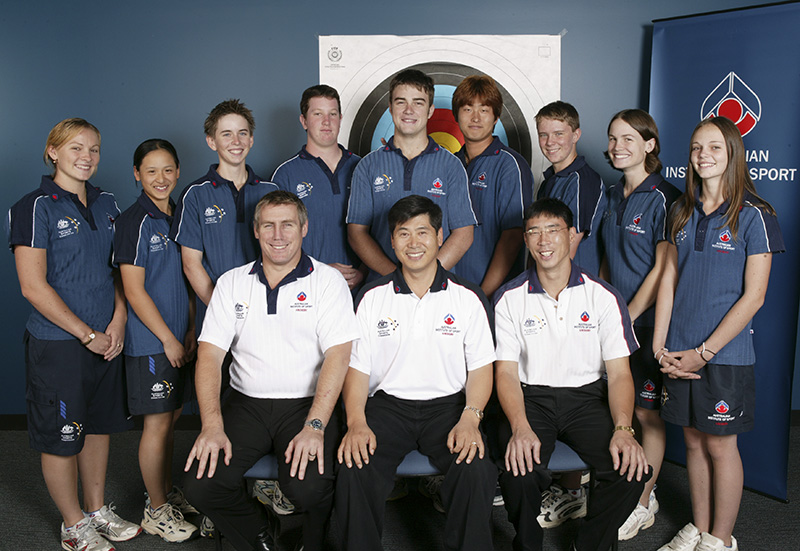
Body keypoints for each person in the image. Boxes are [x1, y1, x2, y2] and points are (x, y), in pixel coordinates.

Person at [183, 190, 359, 551]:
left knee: (308, 488)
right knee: (201, 485)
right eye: (268, 226)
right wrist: (212, 425)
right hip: (246, 404)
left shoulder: (327, 281)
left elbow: (339, 356)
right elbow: (209, 356)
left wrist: (315, 426)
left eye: (287, 225)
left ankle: (313, 542)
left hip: (307, 405)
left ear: (304, 228)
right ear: (256, 231)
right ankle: (259, 532)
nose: (278, 235)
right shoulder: (232, 282)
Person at [7, 118, 140, 551]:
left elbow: (120, 270)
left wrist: (118, 320)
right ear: (53, 151)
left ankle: (96, 510)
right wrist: (86, 334)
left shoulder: (108, 203)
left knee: (97, 428)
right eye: (76, 148)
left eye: (94, 149)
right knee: (63, 437)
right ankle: (73, 525)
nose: (87, 157)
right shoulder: (33, 207)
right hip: (60, 345)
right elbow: (32, 286)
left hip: (106, 340)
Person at [336, 195, 497, 551]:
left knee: (475, 469)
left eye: (422, 232)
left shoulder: (468, 297)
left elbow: (481, 369)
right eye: (403, 233)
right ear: (392, 242)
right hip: (387, 408)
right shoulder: (371, 297)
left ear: (439, 237)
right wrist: (356, 422)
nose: (414, 243)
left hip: (450, 408)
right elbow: (357, 370)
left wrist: (471, 418)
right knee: (354, 464)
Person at [654, 116, 783, 551]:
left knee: (720, 447)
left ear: (732, 154)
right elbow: (668, 279)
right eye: (696, 147)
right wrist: (660, 346)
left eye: (713, 147)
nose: (702, 155)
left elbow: (755, 297)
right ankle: (698, 526)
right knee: (692, 442)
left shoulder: (755, 215)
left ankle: (720, 539)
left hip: (724, 356)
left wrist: (704, 352)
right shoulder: (681, 210)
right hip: (678, 350)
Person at [494, 197, 650, 551]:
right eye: (534, 232)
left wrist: (624, 429)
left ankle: (590, 544)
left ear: (572, 236)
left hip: (587, 399)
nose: (544, 241)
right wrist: (519, 426)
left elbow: (620, 374)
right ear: (526, 240)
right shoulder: (509, 298)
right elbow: (505, 373)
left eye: (553, 230)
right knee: (519, 469)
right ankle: (527, 544)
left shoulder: (603, 297)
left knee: (631, 470)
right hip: (530, 398)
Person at [600, 109, 681, 541]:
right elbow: (606, 260)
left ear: (650, 144)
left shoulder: (667, 197)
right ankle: (620, 491)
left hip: (645, 324)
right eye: (613, 139)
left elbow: (663, 270)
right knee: (617, 409)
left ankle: (643, 500)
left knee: (648, 414)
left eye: (629, 139)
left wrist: (627, 316)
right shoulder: (612, 193)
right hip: (614, 322)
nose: (618, 147)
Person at [113, 139, 199, 542]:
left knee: (171, 419)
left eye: (167, 170)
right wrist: (167, 339)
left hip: (180, 337)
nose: (160, 178)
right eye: (151, 171)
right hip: (152, 343)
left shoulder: (180, 215)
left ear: (178, 172)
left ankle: (164, 492)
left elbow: (187, 276)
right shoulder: (134, 221)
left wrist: (190, 329)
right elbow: (133, 290)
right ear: (137, 174)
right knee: (158, 424)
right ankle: (156, 510)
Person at [346, 69, 476, 281]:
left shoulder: (451, 165)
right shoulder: (367, 166)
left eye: (418, 102)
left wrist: (426, 277)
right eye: (401, 102)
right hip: (383, 285)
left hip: (437, 287)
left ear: (430, 110)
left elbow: (463, 233)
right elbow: (357, 233)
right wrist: (396, 277)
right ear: (390, 108)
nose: (409, 110)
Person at [170, 99, 277, 325]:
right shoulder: (195, 195)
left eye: (242, 133)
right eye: (226, 134)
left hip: (265, 315)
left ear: (251, 139)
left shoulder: (271, 192)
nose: (236, 141)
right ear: (212, 141)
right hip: (217, 317)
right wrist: (224, 312)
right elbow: (191, 264)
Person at [272, 84, 365, 291]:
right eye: (317, 114)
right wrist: (319, 271)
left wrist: (365, 271)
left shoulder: (363, 168)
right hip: (307, 288)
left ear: (340, 118)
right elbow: (279, 239)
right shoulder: (285, 175)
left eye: (333, 114)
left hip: (360, 288)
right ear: (303, 121)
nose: (326, 121)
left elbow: (377, 228)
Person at [451, 75, 533, 298]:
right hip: (451, 294)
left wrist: (483, 295)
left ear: (496, 116)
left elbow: (513, 236)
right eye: (467, 109)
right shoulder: (450, 164)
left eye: (484, 110)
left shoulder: (510, 165)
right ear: (456, 115)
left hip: (493, 295)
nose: (475, 117)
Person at [535, 101, 605, 275]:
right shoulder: (550, 181)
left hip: (572, 283)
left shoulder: (583, 182)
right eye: (543, 135)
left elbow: (567, 252)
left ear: (575, 135)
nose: (550, 142)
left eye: (558, 134)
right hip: (549, 279)